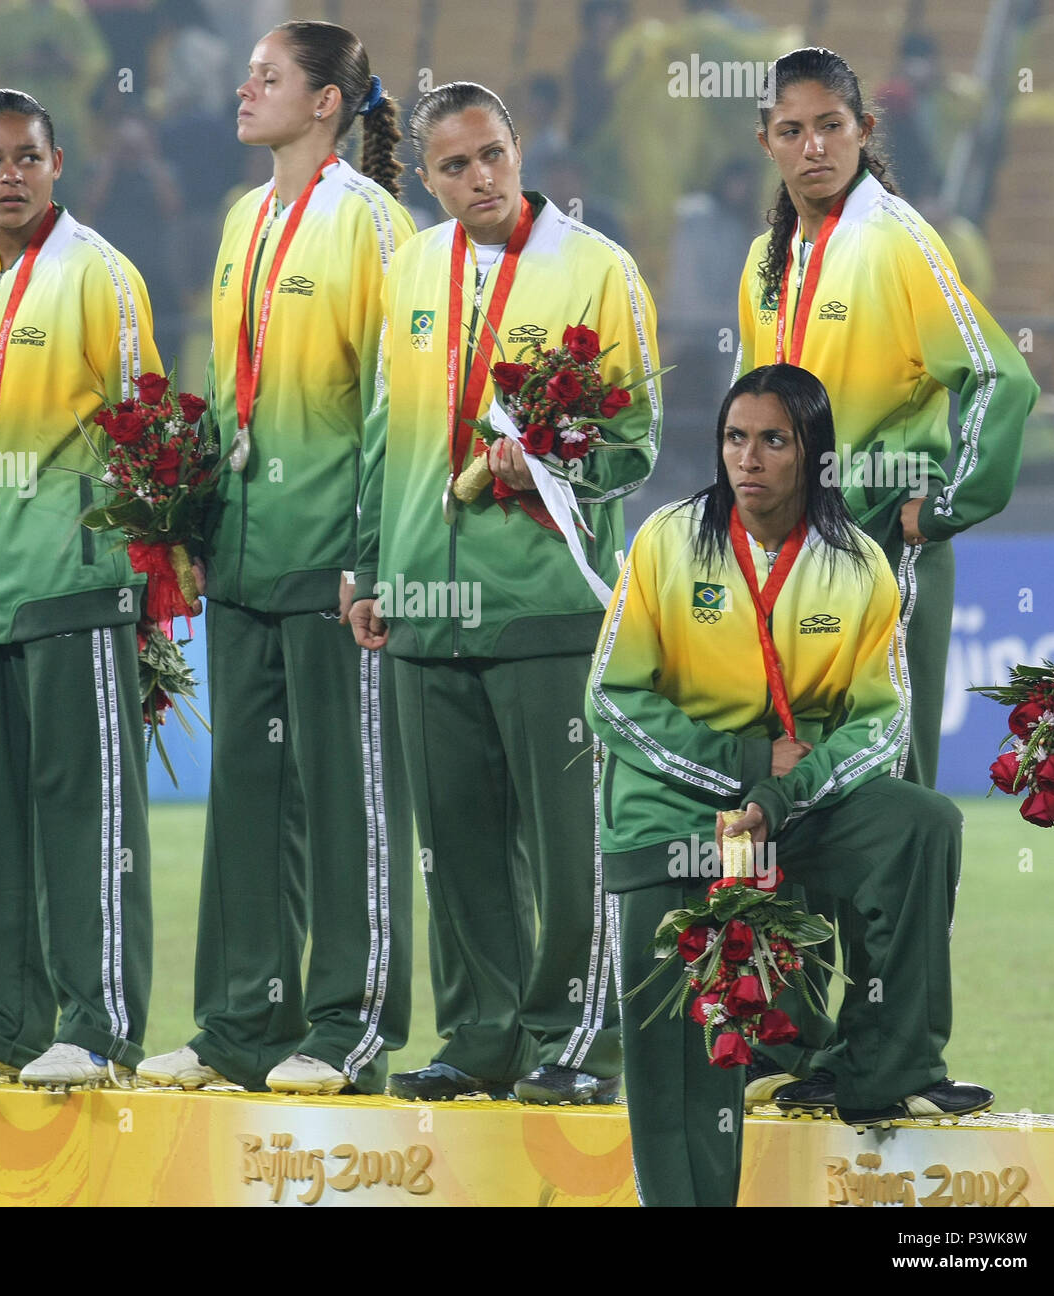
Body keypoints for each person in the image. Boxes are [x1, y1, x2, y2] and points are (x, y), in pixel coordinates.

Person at [589, 364, 992, 1206]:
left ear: (813, 455)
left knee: (918, 820)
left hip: (792, 807)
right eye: (736, 438)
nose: (750, 458)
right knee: (684, 1053)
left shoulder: (857, 565)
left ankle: (881, 1067)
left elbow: (880, 724)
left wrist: (781, 795)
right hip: (677, 813)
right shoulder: (666, 539)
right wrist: (741, 770)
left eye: (774, 440)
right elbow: (609, 700)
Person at [735, 47, 1038, 1116]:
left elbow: (1000, 379)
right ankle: (820, 1045)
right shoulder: (769, 261)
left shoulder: (896, 240)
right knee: (805, 795)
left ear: (863, 130)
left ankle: (896, 1053)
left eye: (829, 127)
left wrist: (940, 501)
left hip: (883, 568)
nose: (811, 147)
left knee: (888, 804)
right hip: (790, 574)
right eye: (790, 131)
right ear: (766, 141)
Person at [349, 81, 662, 1104]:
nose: (477, 178)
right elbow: (380, 433)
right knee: (457, 842)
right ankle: (480, 1035)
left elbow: (635, 444)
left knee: (571, 847)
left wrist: (556, 462)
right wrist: (367, 566)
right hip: (421, 605)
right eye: (453, 165)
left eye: (492, 154)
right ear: (425, 176)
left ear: (519, 149)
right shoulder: (408, 269)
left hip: (545, 601)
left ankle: (577, 1041)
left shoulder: (596, 269)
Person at [137, 20, 417, 1097]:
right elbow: (221, 385)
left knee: (342, 798)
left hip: (332, 564)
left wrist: (369, 554)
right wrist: (193, 520)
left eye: (267, 78)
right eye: (247, 74)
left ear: (326, 105)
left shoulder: (375, 225)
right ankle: (238, 1026)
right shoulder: (242, 217)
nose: (243, 90)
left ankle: (349, 1026)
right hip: (245, 556)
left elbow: (397, 404)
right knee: (247, 795)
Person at [0, 89, 157, 1090]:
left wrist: (133, 577)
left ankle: (97, 1025)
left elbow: (150, 437)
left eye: (27, 158)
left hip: (71, 591)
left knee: (82, 812)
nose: (10, 174)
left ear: (59, 166)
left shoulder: (98, 274)